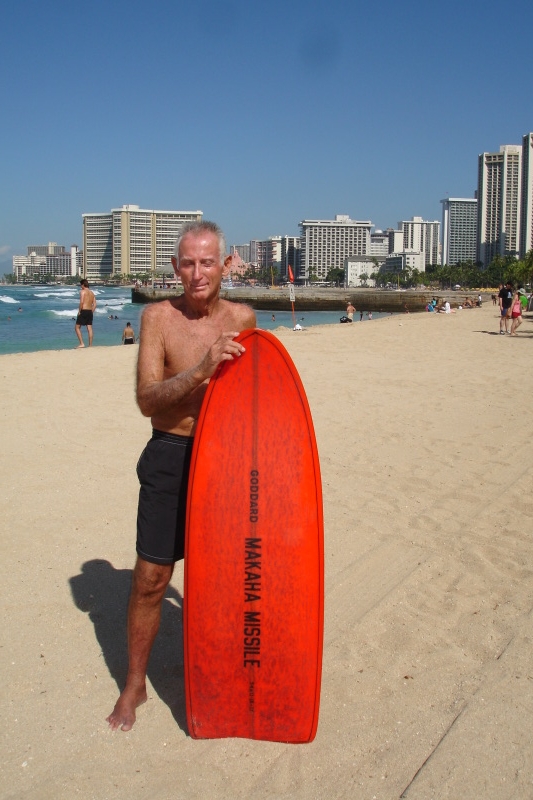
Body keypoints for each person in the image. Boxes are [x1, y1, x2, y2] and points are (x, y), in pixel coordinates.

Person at [106, 221, 256, 732]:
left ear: (225, 264)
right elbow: (147, 399)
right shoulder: (157, 318)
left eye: (207, 262)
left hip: (225, 457)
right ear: (175, 267)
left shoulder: (243, 318)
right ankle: (135, 683)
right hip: (170, 451)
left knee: (224, 579)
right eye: (188, 263)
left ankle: (223, 675)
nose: (197, 273)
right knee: (152, 578)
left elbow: (258, 394)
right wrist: (201, 371)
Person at [75, 279, 97, 347]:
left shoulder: (82, 291)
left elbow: (81, 302)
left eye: (81, 285)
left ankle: (82, 343)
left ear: (83, 285)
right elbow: (95, 304)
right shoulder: (92, 293)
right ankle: (90, 345)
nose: (80, 287)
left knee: (77, 327)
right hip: (89, 311)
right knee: (89, 328)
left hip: (83, 310)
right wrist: (91, 311)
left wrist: (79, 311)